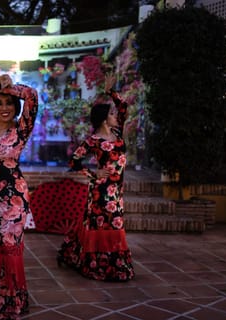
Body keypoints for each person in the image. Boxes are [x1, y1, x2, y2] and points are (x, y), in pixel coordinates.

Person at [57, 74, 134, 281]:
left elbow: (124, 107)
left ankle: (112, 264)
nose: (115, 115)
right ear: (103, 118)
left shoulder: (118, 134)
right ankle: (98, 265)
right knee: (105, 225)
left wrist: (111, 92)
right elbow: (73, 161)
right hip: (101, 191)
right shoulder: (93, 141)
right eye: (111, 113)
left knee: (114, 225)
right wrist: (93, 174)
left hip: (117, 192)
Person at [0, 74, 38, 319]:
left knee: (9, 246)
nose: (4, 108)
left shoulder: (21, 129)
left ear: (16, 107)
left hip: (14, 198)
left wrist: (6, 86)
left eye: (9, 103)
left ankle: (10, 300)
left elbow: (32, 96)